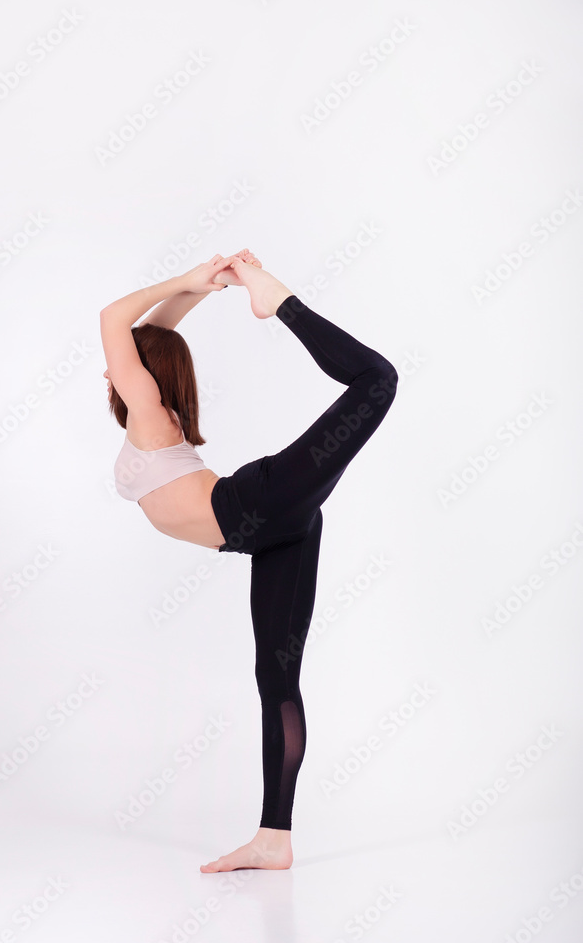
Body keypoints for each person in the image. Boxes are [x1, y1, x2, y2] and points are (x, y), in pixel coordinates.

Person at [100, 250, 399, 873]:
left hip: (256, 504)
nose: (109, 372)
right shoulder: (160, 416)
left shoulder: (151, 416)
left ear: (139, 377)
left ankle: (281, 302)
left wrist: (192, 280)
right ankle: (274, 839)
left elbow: (112, 319)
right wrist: (206, 286)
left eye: (120, 367)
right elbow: (152, 335)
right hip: (268, 533)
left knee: (378, 381)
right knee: (277, 681)